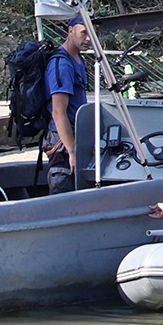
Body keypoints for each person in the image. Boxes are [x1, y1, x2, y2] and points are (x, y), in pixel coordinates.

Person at [44, 14, 92, 195]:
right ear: (70, 31)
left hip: (77, 134)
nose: (88, 39)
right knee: (63, 191)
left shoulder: (79, 60)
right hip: (62, 141)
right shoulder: (62, 64)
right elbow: (58, 112)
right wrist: (72, 151)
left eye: (92, 35)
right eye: (84, 33)